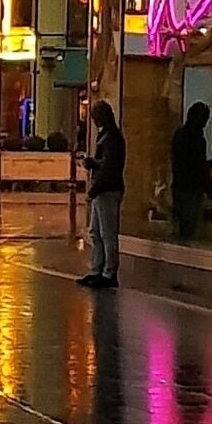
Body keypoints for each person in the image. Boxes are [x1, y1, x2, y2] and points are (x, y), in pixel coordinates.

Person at [80, 99, 126, 286]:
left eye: (96, 117)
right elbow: (106, 164)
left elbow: (109, 169)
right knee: (96, 232)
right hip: (104, 189)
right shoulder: (108, 135)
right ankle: (97, 268)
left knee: (107, 233)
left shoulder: (112, 138)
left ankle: (109, 273)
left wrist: (93, 190)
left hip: (108, 190)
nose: (94, 121)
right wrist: (93, 163)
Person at [167, 98, 212, 243]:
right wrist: (210, 188)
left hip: (179, 186)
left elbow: (185, 162)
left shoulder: (179, 134)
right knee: (190, 227)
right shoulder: (197, 139)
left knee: (182, 226)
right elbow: (197, 166)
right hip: (192, 189)